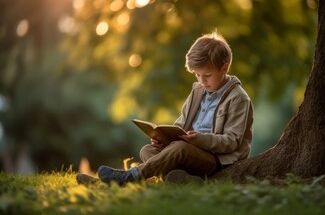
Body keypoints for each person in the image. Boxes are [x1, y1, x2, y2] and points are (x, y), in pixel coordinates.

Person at [76, 32, 253, 186]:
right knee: (148, 151)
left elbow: (232, 141)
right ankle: (184, 180)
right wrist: (164, 138)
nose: (202, 81)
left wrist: (199, 140)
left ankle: (130, 178)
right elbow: (181, 124)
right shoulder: (198, 91)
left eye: (207, 75)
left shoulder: (238, 98)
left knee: (180, 149)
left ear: (224, 68)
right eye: (197, 75)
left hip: (216, 159)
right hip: (188, 150)